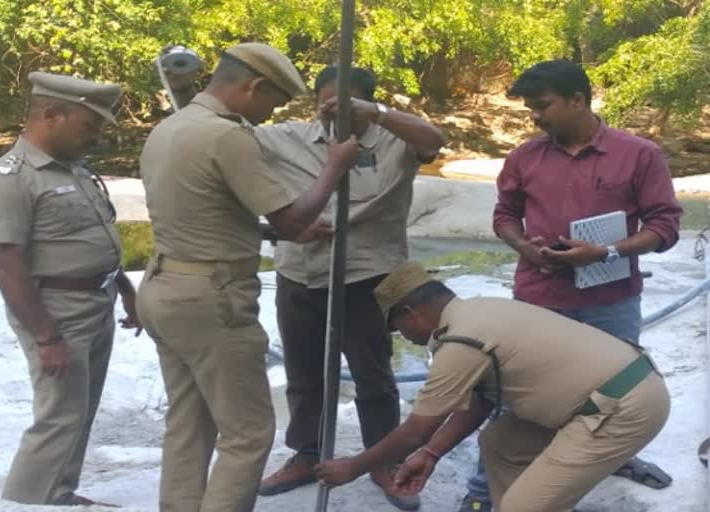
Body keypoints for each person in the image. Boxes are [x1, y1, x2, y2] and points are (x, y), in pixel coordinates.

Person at [448, 58, 685, 512]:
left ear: (578, 100)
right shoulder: (524, 157)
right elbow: (504, 216)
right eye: (530, 109)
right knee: (515, 398)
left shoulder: (639, 154)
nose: (535, 117)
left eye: (542, 106)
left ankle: (613, 457)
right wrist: (524, 245)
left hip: (609, 301)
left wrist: (607, 251)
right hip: (539, 299)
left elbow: (665, 225)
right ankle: (482, 492)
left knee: (614, 394)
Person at [136, 43, 359, 512]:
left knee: (189, 421)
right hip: (211, 300)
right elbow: (293, 222)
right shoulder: (227, 136)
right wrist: (334, 168)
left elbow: (201, 211)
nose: (268, 114)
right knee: (248, 432)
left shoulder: (170, 128)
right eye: (271, 103)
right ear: (253, 86)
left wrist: (267, 231)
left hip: (163, 287)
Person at [314, 261, 671, 512]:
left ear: (412, 313)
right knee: (499, 443)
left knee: (524, 507)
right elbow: (478, 404)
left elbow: (414, 432)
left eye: (399, 328)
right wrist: (432, 454)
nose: (404, 338)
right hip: (610, 393)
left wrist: (354, 467)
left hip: (624, 406)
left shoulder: (460, 342)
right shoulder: (480, 310)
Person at [254, 66, 444, 511]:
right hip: (300, 275)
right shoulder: (289, 137)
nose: (332, 113)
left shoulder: (394, 139)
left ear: (365, 104)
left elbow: (434, 141)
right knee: (303, 374)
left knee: (372, 374)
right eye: (325, 104)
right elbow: (225, 139)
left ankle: (383, 460)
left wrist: (376, 114)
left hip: (368, 277)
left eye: (345, 106)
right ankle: (307, 454)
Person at [0, 72, 141, 506]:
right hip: (55, 312)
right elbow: (5, 263)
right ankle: (24, 503)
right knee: (58, 416)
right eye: (89, 126)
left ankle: (59, 493)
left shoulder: (73, 170)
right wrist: (47, 337)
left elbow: (92, 236)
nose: (95, 137)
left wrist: (124, 288)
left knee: (78, 412)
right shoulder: (11, 178)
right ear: (51, 115)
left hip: (95, 301)